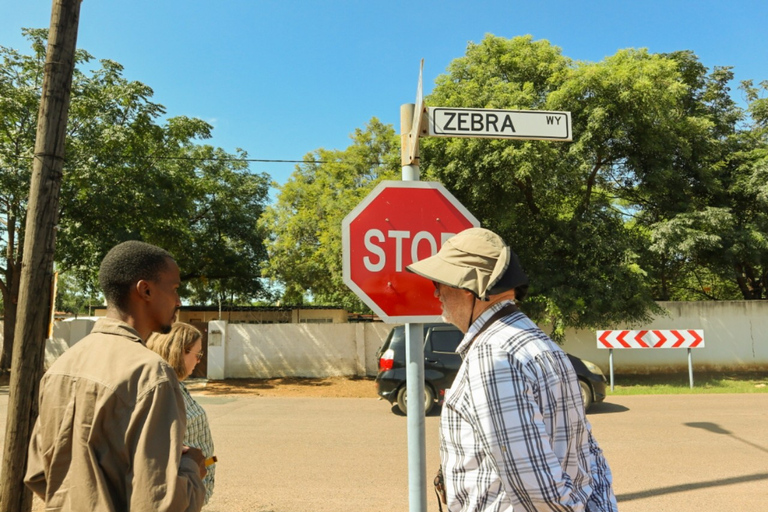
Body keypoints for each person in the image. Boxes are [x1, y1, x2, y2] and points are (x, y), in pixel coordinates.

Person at [407, 227, 618, 512]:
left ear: (473, 289)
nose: (436, 293)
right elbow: (589, 455)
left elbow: (538, 492)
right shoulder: (541, 343)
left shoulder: (494, 357)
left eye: (441, 282)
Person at [25, 240, 206, 511]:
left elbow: (38, 474)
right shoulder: (151, 373)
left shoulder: (61, 366)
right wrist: (193, 466)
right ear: (145, 290)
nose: (179, 301)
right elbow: (160, 504)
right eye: (175, 289)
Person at [147, 323, 217, 505]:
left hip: (193, 487)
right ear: (180, 351)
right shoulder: (161, 391)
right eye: (198, 354)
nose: (199, 360)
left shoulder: (178, 386)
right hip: (180, 493)